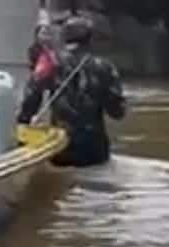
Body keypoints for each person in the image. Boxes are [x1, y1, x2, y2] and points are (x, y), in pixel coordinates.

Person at [17, 15, 126, 168]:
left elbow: (30, 100)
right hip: (94, 149)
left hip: (61, 147)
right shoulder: (105, 67)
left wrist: (22, 127)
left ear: (64, 37)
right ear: (90, 39)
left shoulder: (50, 63)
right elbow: (118, 113)